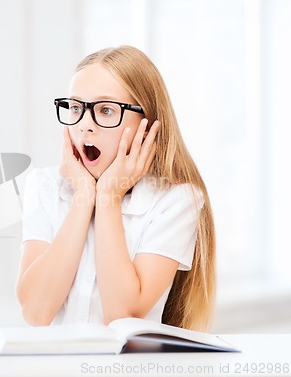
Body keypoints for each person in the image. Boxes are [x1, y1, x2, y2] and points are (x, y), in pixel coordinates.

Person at [16, 45, 216, 332]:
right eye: (75, 108)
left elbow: (123, 315)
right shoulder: (45, 185)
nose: (84, 125)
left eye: (106, 110)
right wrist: (84, 197)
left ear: (146, 126)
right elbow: (35, 312)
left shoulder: (176, 200)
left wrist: (109, 196)